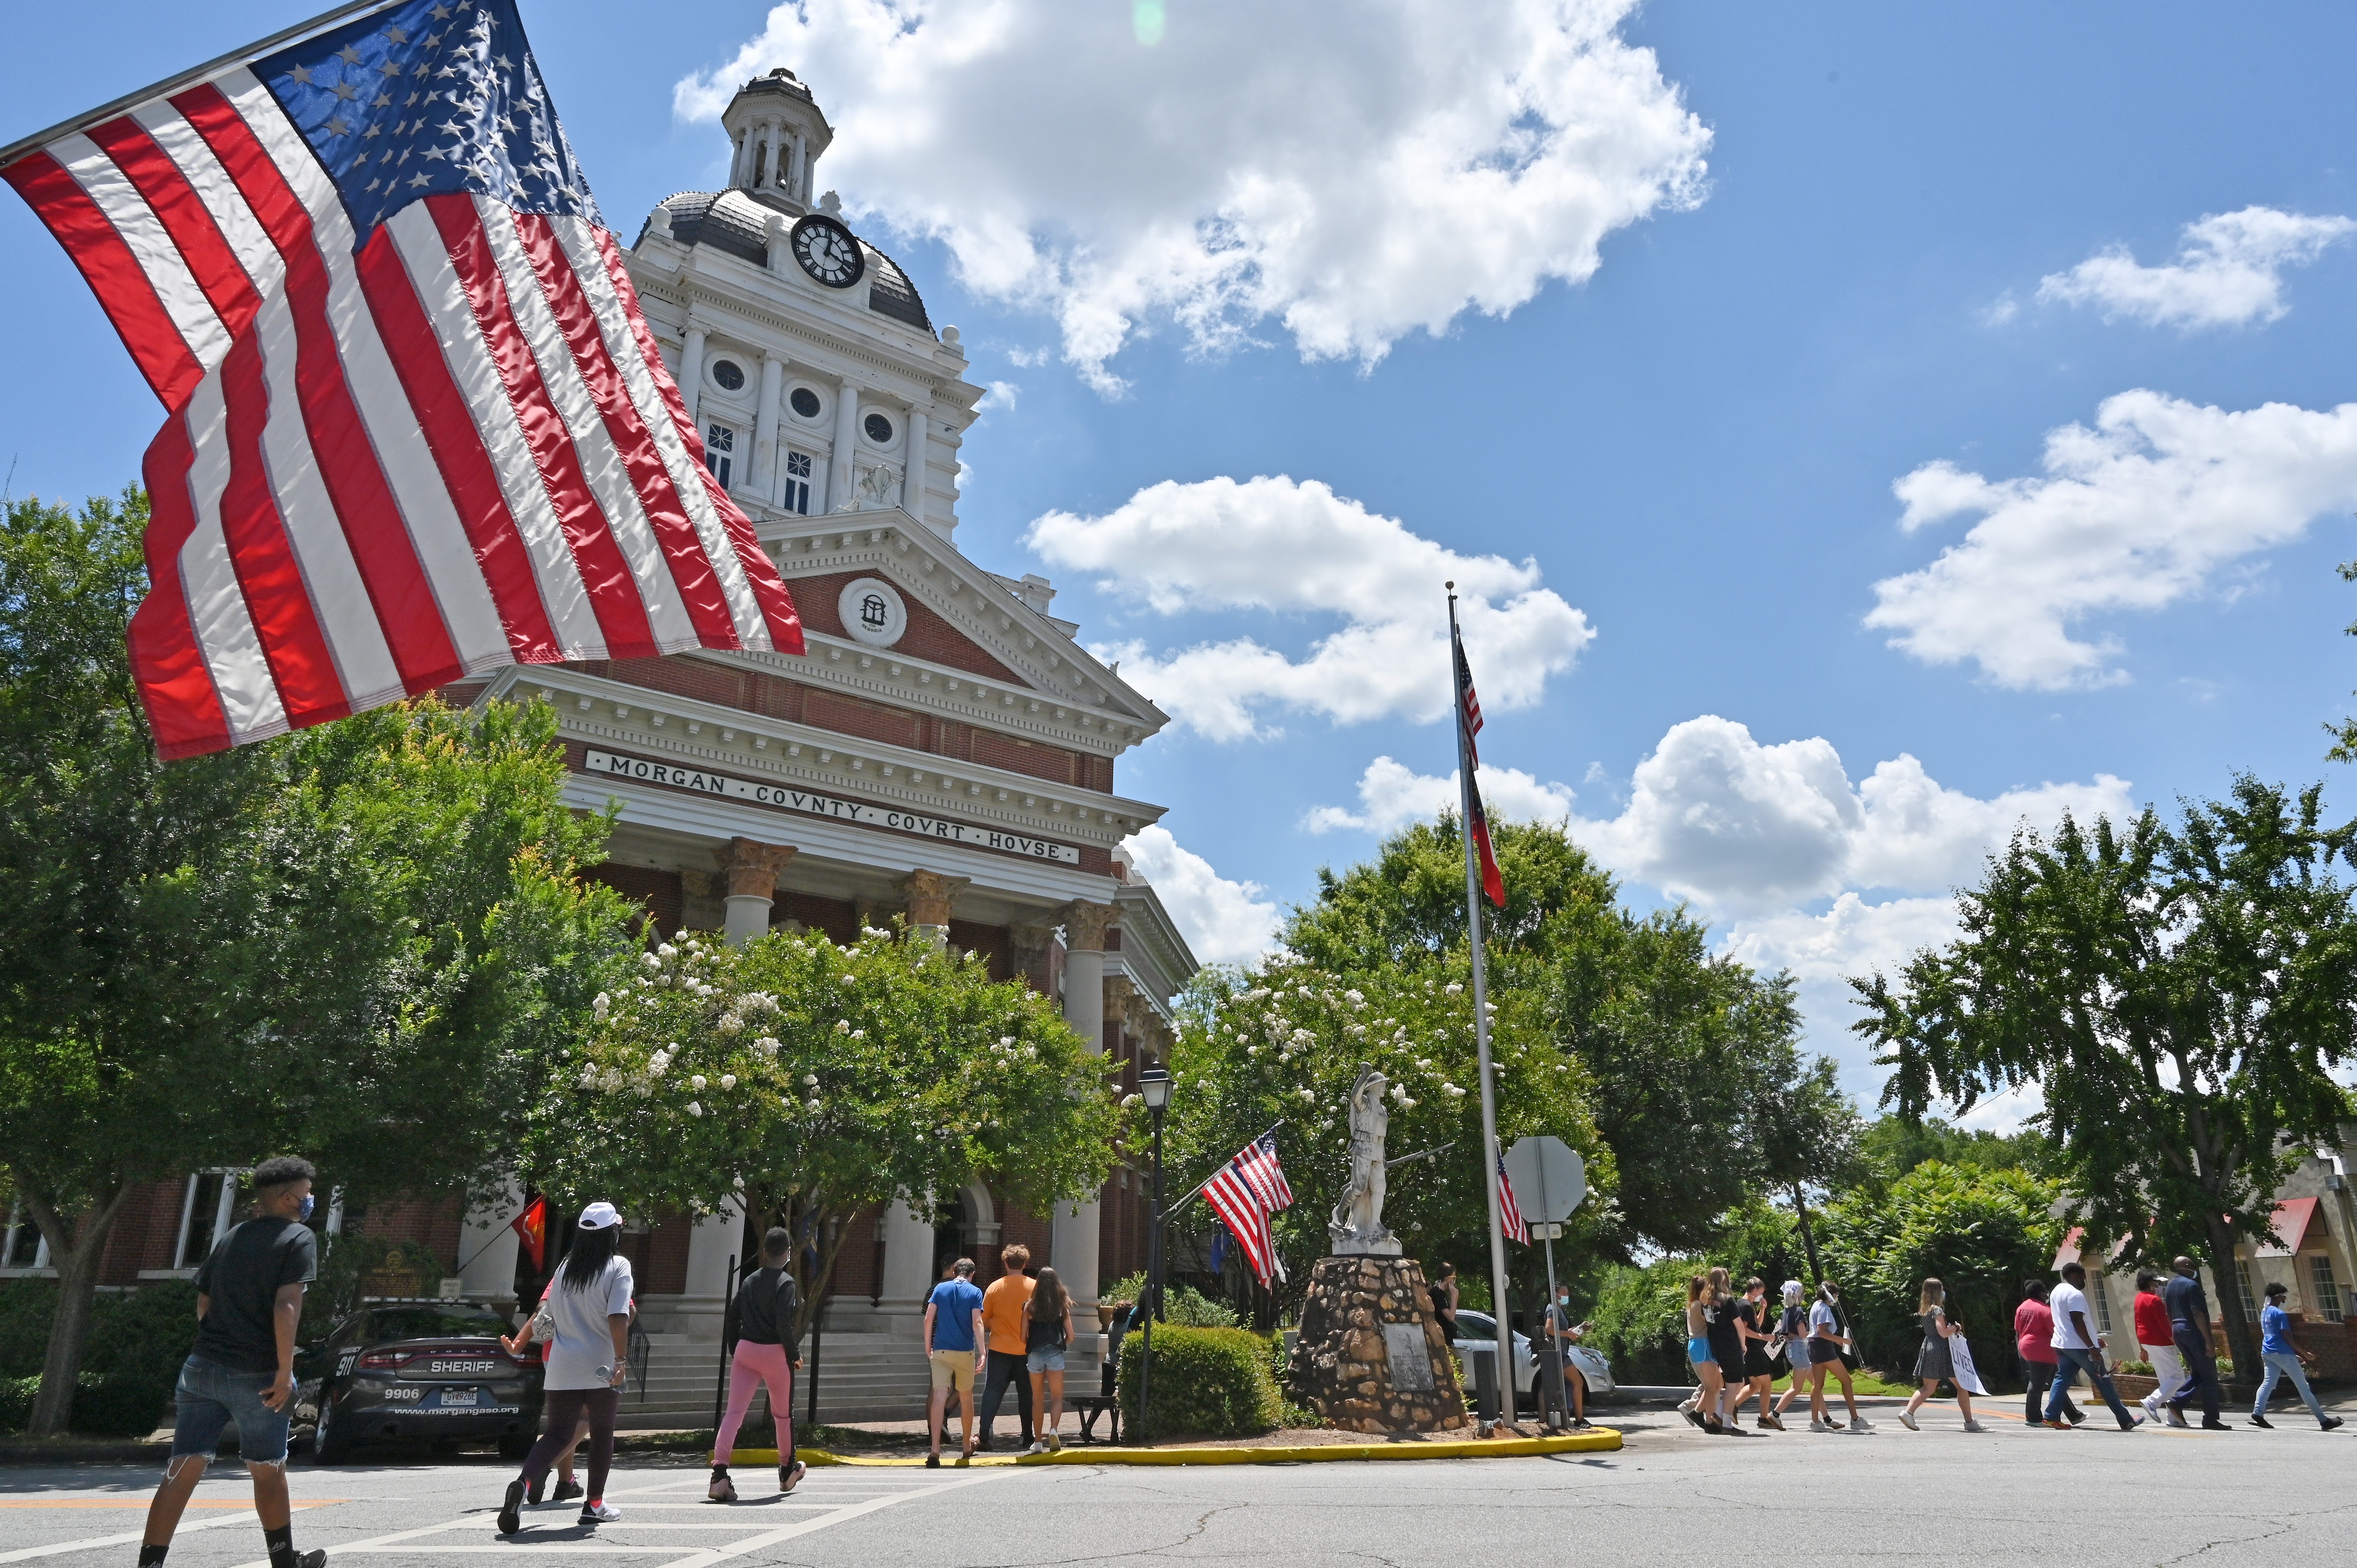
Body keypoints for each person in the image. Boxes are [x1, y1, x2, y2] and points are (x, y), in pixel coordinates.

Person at [139, 1157, 326, 1568]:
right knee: (268, 1470)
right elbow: (286, 1304)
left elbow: (204, 1301)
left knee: (183, 1466)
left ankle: (150, 1563)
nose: (311, 1199)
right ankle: (283, 1562)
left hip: (202, 1366)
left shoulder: (234, 1235)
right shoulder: (298, 1237)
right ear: (290, 1198)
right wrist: (282, 1372)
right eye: (308, 1193)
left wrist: (223, 1338)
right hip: (258, 1372)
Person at [498, 1203, 635, 1534]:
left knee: (557, 1434)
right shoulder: (618, 1266)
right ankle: (595, 1505)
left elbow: (544, 1313)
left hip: (561, 1363)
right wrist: (621, 1361)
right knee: (602, 1434)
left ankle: (525, 1482)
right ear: (612, 1233)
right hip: (600, 1365)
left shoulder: (564, 1267)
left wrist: (518, 1343)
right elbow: (618, 1316)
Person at [707, 1227, 806, 1502]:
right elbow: (783, 1324)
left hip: (746, 1352)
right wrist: (795, 1353)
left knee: (734, 1414)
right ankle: (788, 1469)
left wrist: (734, 1348)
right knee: (783, 1415)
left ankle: (719, 1475)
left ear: (764, 1252)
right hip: (775, 1354)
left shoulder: (749, 1280)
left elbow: (732, 1317)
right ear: (788, 1253)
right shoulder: (786, 1283)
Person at [502, 1280, 587, 1504]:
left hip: (552, 1355)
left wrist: (519, 1343)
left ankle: (566, 1483)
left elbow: (543, 1310)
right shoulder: (609, 1269)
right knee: (588, 1417)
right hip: (586, 1354)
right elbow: (626, 1312)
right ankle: (541, 1468)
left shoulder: (563, 1272)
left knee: (561, 1425)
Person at [2044, 1261, 2141, 1432]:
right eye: (2083, 1277)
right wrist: (2092, 1347)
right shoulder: (2075, 1295)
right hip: (2080, 1347)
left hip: (2063, 1344)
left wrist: (2095, 1339)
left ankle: (2051, 1416)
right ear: (2074, 1276)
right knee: (2104, 1381)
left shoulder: (2057, 1291)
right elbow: (2077, 1321)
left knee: (2063, 1378)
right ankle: (2126, 1420)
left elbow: (2069, 1322)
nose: (2085, 1281)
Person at [2249, 1280, 2344, 1431]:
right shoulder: (2279, 1314)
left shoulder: (2265, 1312)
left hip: (2268, 1352)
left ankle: (2258, 1413)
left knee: (2268, 1383)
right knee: (2303, 1387)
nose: (2285, 1299)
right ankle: (2324, 1421)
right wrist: (2304, 1353)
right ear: (2279, 1296)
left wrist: (2293, 1355)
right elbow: (2286, 1336)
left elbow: (2273, 1336)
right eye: (2284, 1296)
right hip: (2282, 1353)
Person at [1898, 1277, 1984, 1432]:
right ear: (1938, 1292)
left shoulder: (1925, 1310)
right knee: (1962, 1386)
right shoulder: (1937, 1310)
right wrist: (1955, 1327)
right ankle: (1970, 1422)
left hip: (1929, 1347)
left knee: (1928, 1388)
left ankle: (1908, 1413)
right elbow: (1943, 1333)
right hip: (1942, 1350)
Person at [924, 1257, 986, 1467]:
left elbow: (928, 1319)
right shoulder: (976, 1292)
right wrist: (983, 1351)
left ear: (954, 1271)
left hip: (941, 1349)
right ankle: (966, 1446)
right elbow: (977, 1322)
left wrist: (928, 1345)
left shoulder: (940, 1290)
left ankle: (935, 1449)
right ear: (972, 1274)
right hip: (965, 1351)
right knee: (966, 1397)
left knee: (939, 1396)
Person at [976, 1244, 1036, 1452]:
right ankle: (1028, 1435)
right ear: (1025, 1264)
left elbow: (984, 1320)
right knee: (1026, 1394)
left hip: (999, 1348)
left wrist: (999, 1325)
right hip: (1026, 1349)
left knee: (992, 1391)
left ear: (1006, 1263)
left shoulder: (994, 1287)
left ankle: (985, 1434)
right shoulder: (1034, 1287)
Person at [2164, 1255, 2232, 1431]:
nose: (2195, 1270)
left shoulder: (2170, 1286)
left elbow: (2168, 1313)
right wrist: (2208, 1341)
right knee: (2209, 1375)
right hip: (2193, 1331)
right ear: (2187, 1266)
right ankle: (2208, 1417)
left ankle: (2178, 1402)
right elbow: (2197, 1314)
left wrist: (2175, 1332)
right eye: (2193, 1266)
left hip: (2177, 1329)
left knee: (2198, 1372)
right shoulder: (2192, 1286)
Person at [2014, 1280, 2084, 1429]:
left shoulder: (2022, 1307)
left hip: (2026, 1345)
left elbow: (2018, 1328)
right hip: (2042, 1348)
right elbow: (2056, 1331)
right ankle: (2033, 1417)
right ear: (2041, 1293)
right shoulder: (2045, 1310)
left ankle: (2073, 1415)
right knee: (2037, 1382)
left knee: (2056, 1382)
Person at [1806, 1282, 1871, 1432]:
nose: (1836, 1297)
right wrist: (1843, 1341)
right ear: (1830, 1294)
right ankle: (1855, 1419)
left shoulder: (1816, 1305)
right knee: (1846, 1380)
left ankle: (1815, 1422)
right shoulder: (1824, 1309)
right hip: (1824, 1349)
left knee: (1818, 1385)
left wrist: (1838, 1342)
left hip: (1814, 1347)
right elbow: (1822, 1332)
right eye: (1836, 1294)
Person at [1025, 1265, 1076, 1453]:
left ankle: (1038, 1441)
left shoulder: (1030, 1307)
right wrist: (1061, 1343)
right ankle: (1053, 1430)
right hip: (1055, 1353)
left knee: (1037, 1399)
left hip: (1035, 1353)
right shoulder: (1061, 1306)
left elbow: (1023, 1337)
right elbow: (1071, 1335)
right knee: (1056, 1398)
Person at [2132, 1269, 2190, 1429]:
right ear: (2151, 1284)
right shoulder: (2155, 1301)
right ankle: (2152, 1402)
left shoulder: (2139, 1299)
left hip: (2147, 1342)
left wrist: (2142, 1349)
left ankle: (2173, 1418)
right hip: (2161, 1342)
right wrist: (2179, 1344)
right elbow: (2164, 1326)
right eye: (2158, 1283)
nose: (2160, 1286)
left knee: (2167, 1380)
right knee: (2178, 1378)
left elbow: (2137, 1324)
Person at [1729, 1277, 1782, 1431]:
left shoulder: (1746, 1304)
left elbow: (1756, 1325)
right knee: (1767, 1384)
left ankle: (1733, 1406)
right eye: (1762, 1292)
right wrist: (1762, 1337)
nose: (1762, 1295)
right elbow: (1744, 1330)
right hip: (1752, 1350)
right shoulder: (1745, 1305)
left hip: (1749, 1349)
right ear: (1756, 1290)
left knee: (1756, 1384)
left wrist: (1763, 1309)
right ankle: (1764, 1418)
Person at [1703, 1266, 1749, 1435]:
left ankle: (1719, 1413)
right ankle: (1727, 1424)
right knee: (1732, 1384)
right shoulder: (1727, 1300)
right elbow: (1739, 1326)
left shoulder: (1705, 1300)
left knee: (1738, 1382)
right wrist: (1743, 1345)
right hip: (1731, 1345)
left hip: (1716, 1346)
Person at [1539, 1282, 1591, 1429]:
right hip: (1558, 1354)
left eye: (1568, 1293)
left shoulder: (1557, 1310)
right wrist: (1568, 1334)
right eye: (1564, 1292)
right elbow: (1549, 1329)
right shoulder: (1553, 1309)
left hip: (1559, 1353)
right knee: (1578, 1382)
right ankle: (1580, 1419)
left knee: (1547, 1386)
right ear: (1556, 1294)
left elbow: (1560, 1330)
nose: (1567, 1295)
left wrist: (1579, 1329)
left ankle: (1543, 1419)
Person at [1682, 1274, 1726, 1434]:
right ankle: (1709, 1421)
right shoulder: (1697, 1305)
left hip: (1704, 1345)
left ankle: (1697, 1412)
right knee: (1710, 1386)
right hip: (1701, 1345)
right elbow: (1711, 1319)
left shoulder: (1696, 1304)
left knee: (1718, 1384)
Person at [1770, 1280, 1814, 1427]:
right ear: (1797, 1295)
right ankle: (1776, 1414)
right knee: (1800, 1387)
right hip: (1800, 1349)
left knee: (1815, 1384)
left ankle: (1825, 1419)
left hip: (1791, 1349)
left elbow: (1786, 1333)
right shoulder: (1798, 1311)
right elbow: (1802, 1334)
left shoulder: (1786, 1311)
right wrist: (1814, 1333)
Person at [1428, 1263, 1459, 1342]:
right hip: (1442, 1340)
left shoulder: (1441, 1293)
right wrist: (1454, 1297)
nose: (1454, 1280)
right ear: (1448, 1279)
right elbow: (1451, 1317)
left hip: (1448, 1339)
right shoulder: (1437, 1293)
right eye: (1454, 1277)